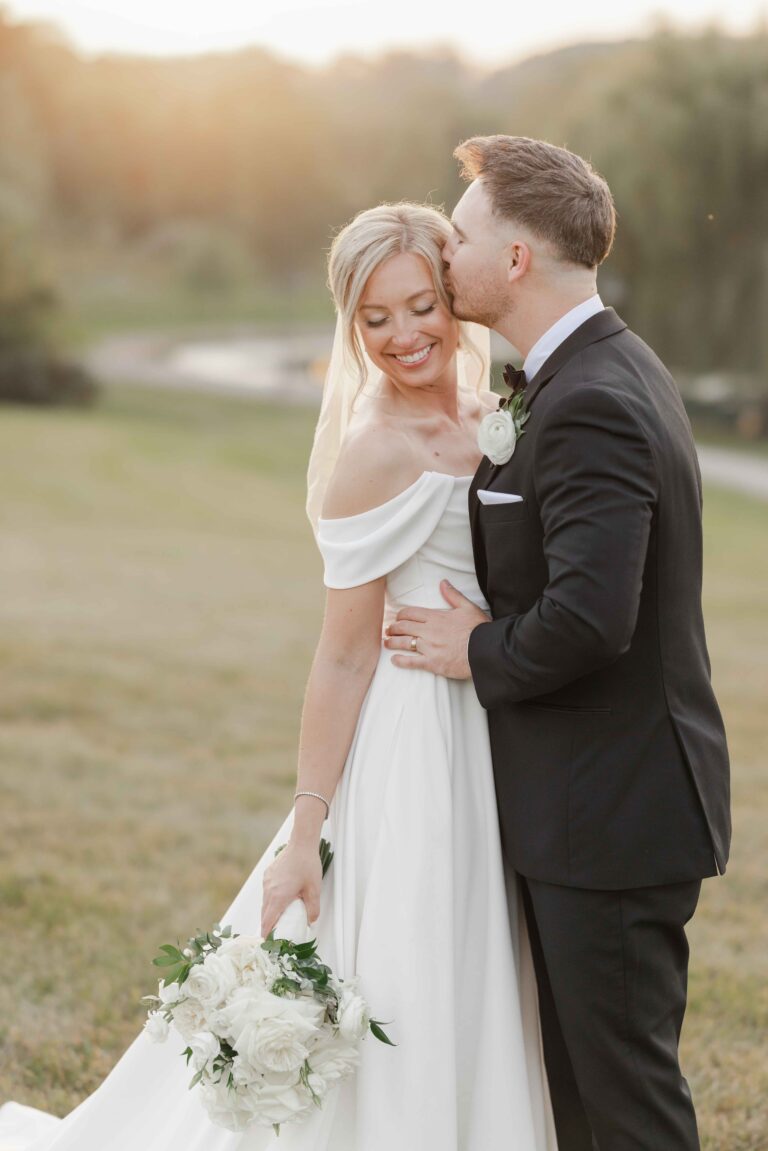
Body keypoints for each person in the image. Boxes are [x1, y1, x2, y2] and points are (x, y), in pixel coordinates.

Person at [0, 202, 557, 1151]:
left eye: (419, 305)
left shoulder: (492, 411)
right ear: (350, 326)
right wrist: (306, 832)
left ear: (453, 295)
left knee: (481, 961)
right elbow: (342, 653)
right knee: (412, 959)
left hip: (496, 721)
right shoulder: (374, 453)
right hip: (417, 745)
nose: (402, 335)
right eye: (373, 318)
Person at [386, 136, 732, 1151]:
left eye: (461, 237)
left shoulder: (591, 401)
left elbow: (590, 616)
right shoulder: (592, 370)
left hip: (611, 817)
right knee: (575, 1099)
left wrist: (474, 648)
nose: (445, 254)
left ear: (516, 258)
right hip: (590, 807)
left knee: (624, 1103)